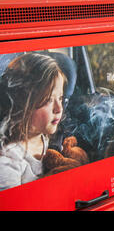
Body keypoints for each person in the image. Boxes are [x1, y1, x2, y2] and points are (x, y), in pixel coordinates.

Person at [0, 53, 67, 191]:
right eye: (48, 100)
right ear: (23, 104)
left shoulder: (50, 139)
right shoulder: (8, 161)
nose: (59, 108)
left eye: (60, 98)